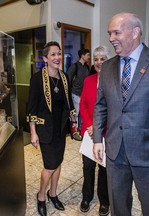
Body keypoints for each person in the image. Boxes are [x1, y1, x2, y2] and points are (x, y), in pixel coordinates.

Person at [93, 12, 149, 216]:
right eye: (109, 33)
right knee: (118, 205)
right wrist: (98, 139)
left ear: (135, 32)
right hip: (115, 152)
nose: (111, 38)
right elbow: (100, 106)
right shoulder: (107, 67)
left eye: (116, 32)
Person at [27, 41, 76, 216]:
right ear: (45, 58)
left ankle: (53, 194)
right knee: (49, 166)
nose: (57, 57)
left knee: (58, 162)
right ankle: (41, 196)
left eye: (59, 54)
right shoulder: (37, 79)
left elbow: (68, 102)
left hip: (60, 128)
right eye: (53, 54)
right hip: (45, 128)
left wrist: (73, 118)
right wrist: (33, 132)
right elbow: (31, 107)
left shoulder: (64, 77)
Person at [79, 46, 110, 215]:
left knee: (104, 169)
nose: (98, 62)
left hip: (107, 133)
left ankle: (104, 201)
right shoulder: (88, 80)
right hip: (89, 133)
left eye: (102, 58)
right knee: (88, 167)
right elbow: (83, 105)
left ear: (109, 60)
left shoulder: (115, 81)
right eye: (96, 59)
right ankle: (86, 197)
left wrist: (100, 128)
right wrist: (90, 125)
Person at [67, 48, 93, 140]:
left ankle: (82, 131)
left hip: (84, 95)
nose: (89, 57)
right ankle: (74, 132)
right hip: (76, 93)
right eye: (87, 55)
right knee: (76, 114)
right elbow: (68, 79)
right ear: (82, 56)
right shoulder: (75, 66)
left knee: (83, 114)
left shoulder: (87, 67)